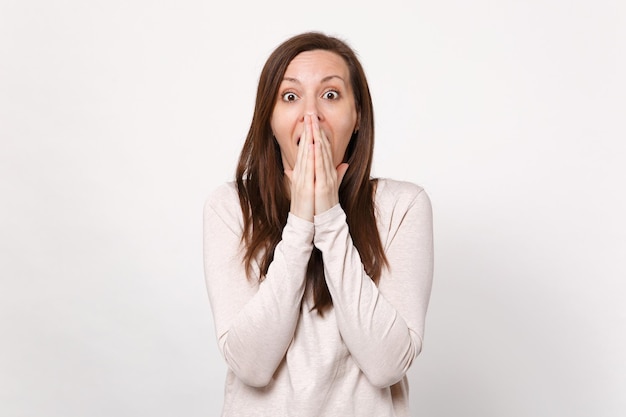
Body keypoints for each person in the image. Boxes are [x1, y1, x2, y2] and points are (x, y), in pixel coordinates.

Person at [203, 31, 434, 417]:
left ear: (358, 115)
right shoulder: (230, 208)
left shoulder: (403, 206)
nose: (311, 115)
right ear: (270, 119)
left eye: (330, 95)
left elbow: (386, 365)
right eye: (290, 97)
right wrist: (300, 221)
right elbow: (251, 366)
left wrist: (329, 217)